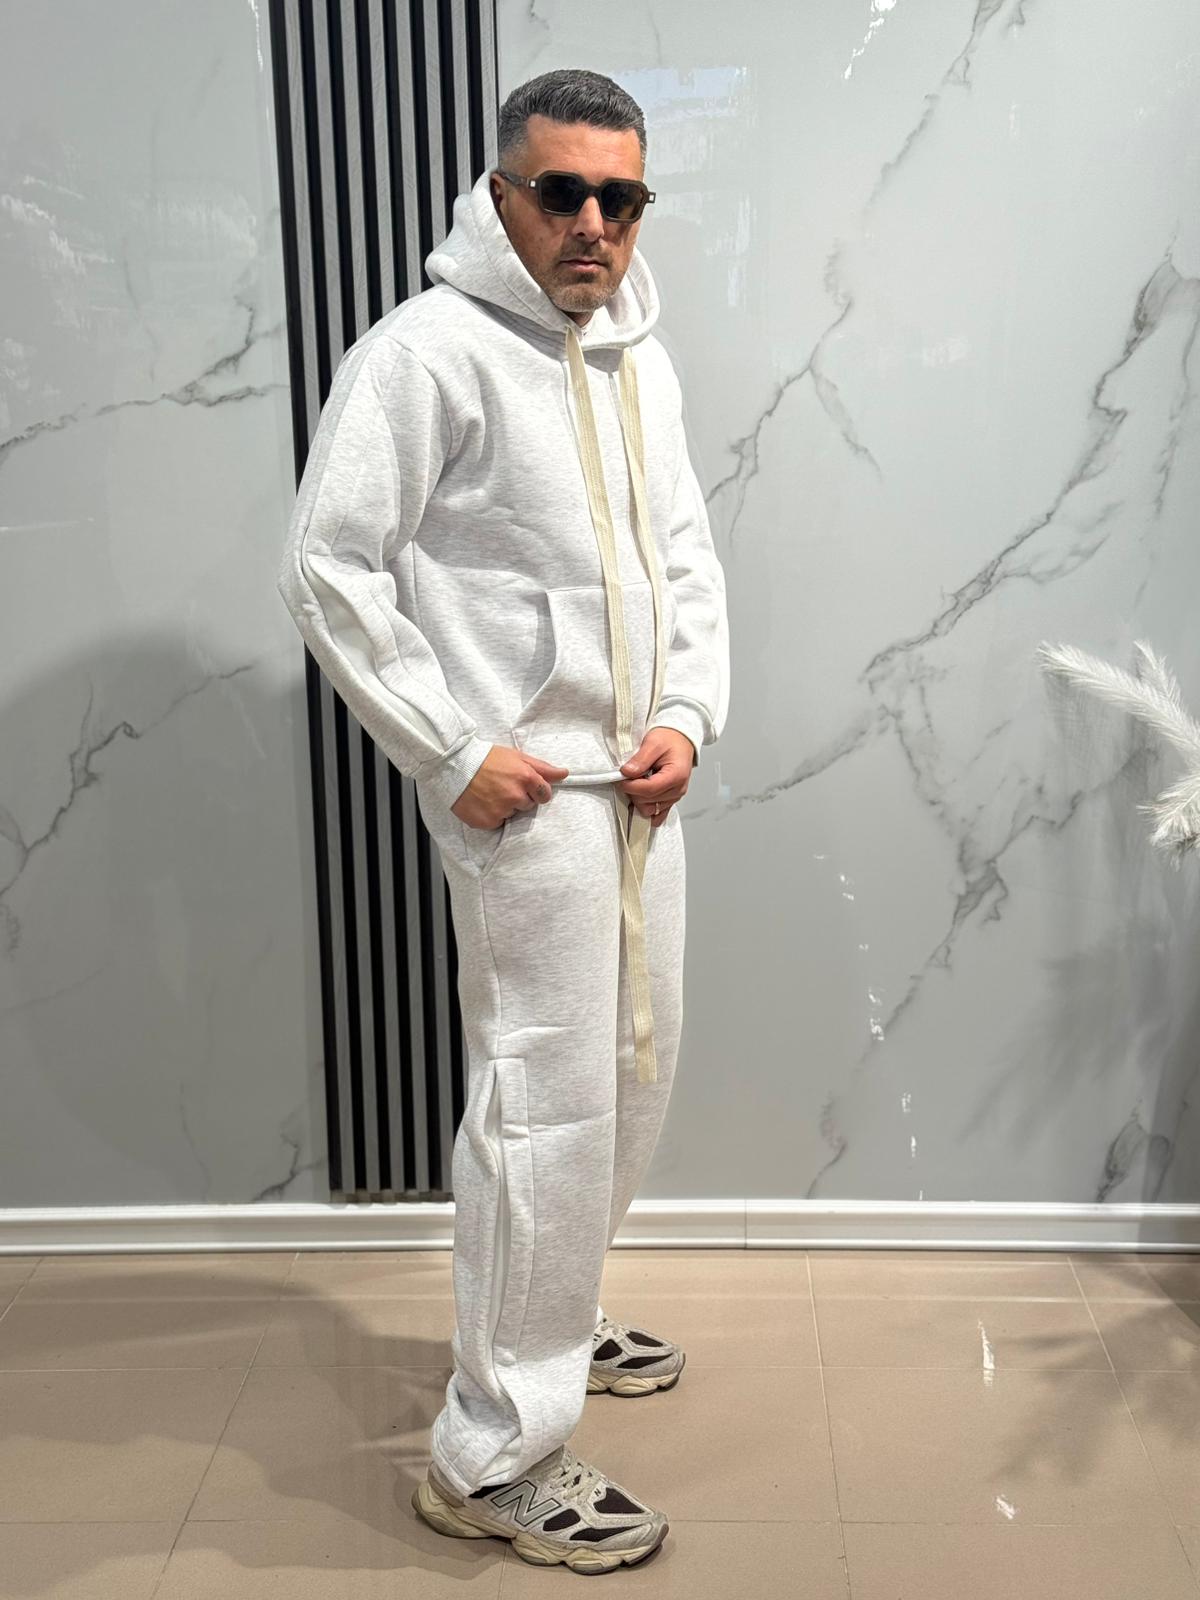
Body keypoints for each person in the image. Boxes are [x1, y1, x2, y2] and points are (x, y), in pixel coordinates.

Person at [275, 67, 729, 1575]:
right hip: (527, 797)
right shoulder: (424, 353)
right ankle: (495, 1453)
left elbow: (684, 556)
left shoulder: (639, 355)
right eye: (564, 191)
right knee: (547, 1104)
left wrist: (686, 713)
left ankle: (558, 1315)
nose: (595, 223)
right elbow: (331, 566)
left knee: (634, 1075)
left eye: (622, 196)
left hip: (641, 787)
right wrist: (451, 746)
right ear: (501, 193)